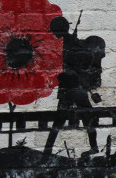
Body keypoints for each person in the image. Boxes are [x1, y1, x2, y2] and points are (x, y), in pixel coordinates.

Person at [43, 16, 105, 157]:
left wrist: (67, 73)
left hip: (73, 88)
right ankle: (93, 147)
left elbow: (77, 63)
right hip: (72, 87)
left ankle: (48, 150)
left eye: (54, 31)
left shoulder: (70, 43)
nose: (53, 34)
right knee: (82, 118)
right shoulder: (69, 42)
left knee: (62, 120)